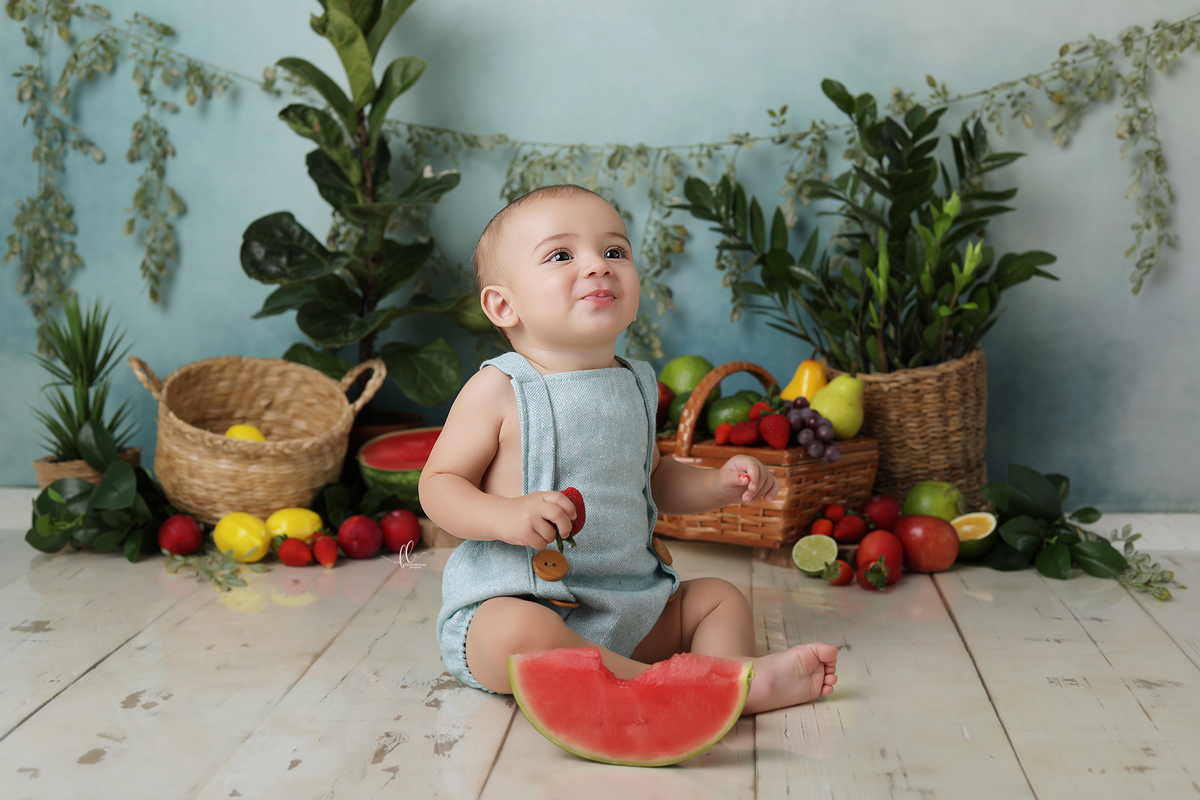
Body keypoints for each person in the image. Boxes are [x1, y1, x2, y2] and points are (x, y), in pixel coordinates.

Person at [421, 184, 837, 714]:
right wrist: (504, 515)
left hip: (633, 606)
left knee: (719, 599)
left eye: (614, 251)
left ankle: (726, 684)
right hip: (528, 603)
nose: (598, 266)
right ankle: (683, 691)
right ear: (504, 305)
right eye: (561, 255)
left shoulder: (638, 383)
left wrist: (717, 483)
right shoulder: (500, 388)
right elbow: (438, 487)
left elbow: (653, 481)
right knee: (513, 631)